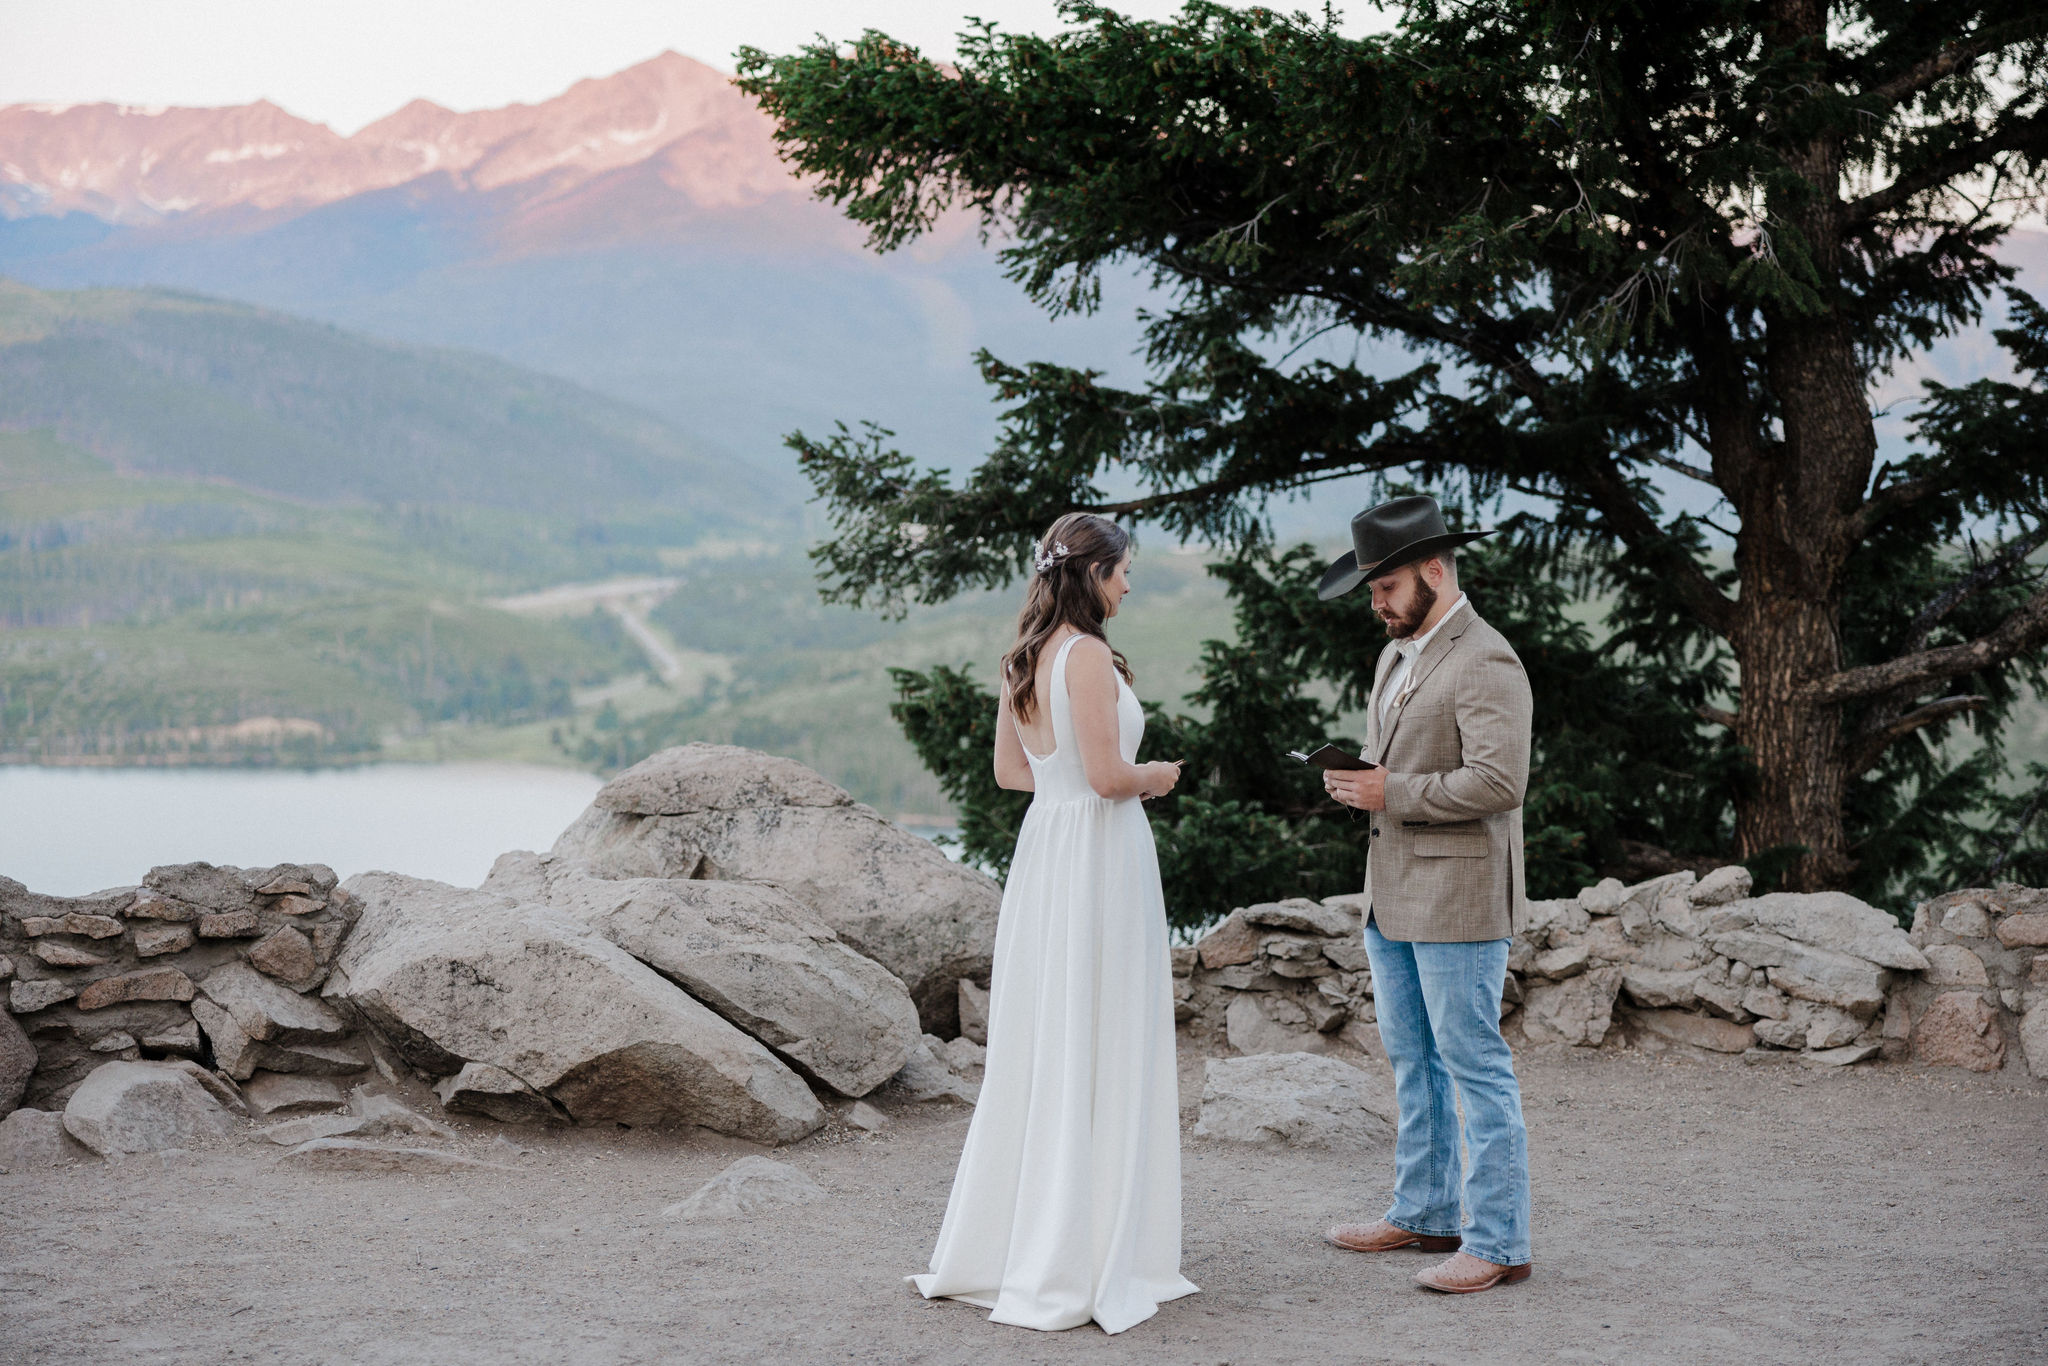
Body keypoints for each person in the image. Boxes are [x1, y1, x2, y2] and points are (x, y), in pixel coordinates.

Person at [909, 511, 1199, 1333]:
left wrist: (1069, 788)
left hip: (1049, 853)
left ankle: (1026, 1237)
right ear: (1095, 574)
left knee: (1051, 1036)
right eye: (1123, 570)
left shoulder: (1026, 657)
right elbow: (1109, 777)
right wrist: (1158, 773)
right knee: (1101, 1030)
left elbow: (1011, 772)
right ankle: (1090, 1246)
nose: (1130, 584)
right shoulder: (1089, 654)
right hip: (1100, 857)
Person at [1315, 494, 1536, 1294]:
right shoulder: (1396, 655)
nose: (1376, 605)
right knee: (1413, 1061)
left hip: (1461, 899)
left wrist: (1392, 792)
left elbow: (1500, 782)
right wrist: (1360, 784)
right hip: (1393, 894)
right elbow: (1397, 768)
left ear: (1434, 572)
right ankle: (1424, 1210)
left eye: (1386, 588)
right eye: (1371, 590)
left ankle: (1501, 1241)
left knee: (1474, 1064)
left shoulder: (1486, 659)